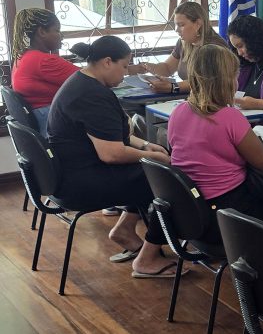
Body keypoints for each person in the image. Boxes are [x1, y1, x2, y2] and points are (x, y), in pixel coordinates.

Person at [48, 36, 181, 278]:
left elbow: (117, 136)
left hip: (72, 174)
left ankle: (125, 230)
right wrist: (158, 160)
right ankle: (147, 259)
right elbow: (112, 153)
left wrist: (149, 146)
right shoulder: (92, 96)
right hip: (80, 183)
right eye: (124, 66)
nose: (126, 72)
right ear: (108, 62)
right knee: (166, 181)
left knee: (147, 172)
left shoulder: (82, 82)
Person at [167, 45, 263, 241]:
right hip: (230, 212)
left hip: (191, 211)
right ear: (225, 80)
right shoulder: (229, 117)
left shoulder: (178, 112)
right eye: (234, 75)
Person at [128, 1, 228, 93]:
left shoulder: (215, 47)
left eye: (181, 25)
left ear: (198, 24)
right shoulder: (184, 42)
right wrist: (147, 67)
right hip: (188, 98)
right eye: (176, 25)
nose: (176, 30)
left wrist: (173, 87)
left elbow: (204, 82)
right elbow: (167, 68)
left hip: (210, 101)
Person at [10, 8, 79, 136]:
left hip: (43, 122)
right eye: (57, 30)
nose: (61, 35)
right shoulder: (43, 60)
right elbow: (93, 78)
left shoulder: (22, 57)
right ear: (42, 32)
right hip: (53, 125)